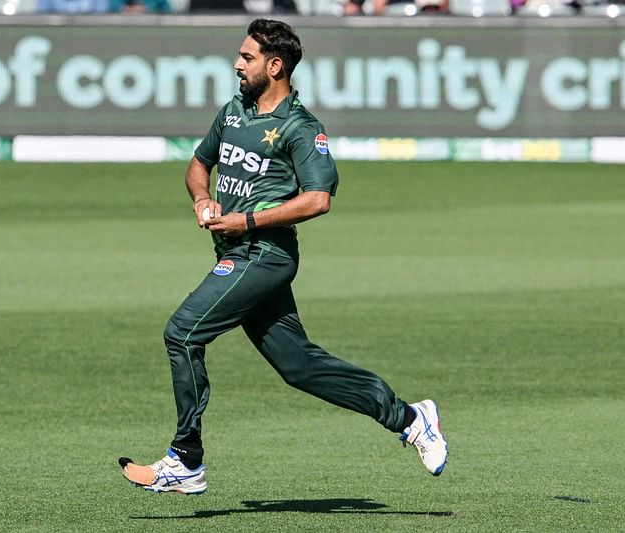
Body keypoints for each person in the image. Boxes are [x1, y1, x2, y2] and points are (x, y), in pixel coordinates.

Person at [118, 18, 448, 495]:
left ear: (275, 65)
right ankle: (410, 418)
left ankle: (185, 459)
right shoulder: (234, 111)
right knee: (300, 368)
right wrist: (201, 199)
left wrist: (246, 221)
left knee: (183, 332)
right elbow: (198, 164)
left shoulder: (300, 126)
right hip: (238, 249)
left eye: (247, 57)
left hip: (263, 254)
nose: (237, 64)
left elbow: (318, 199)